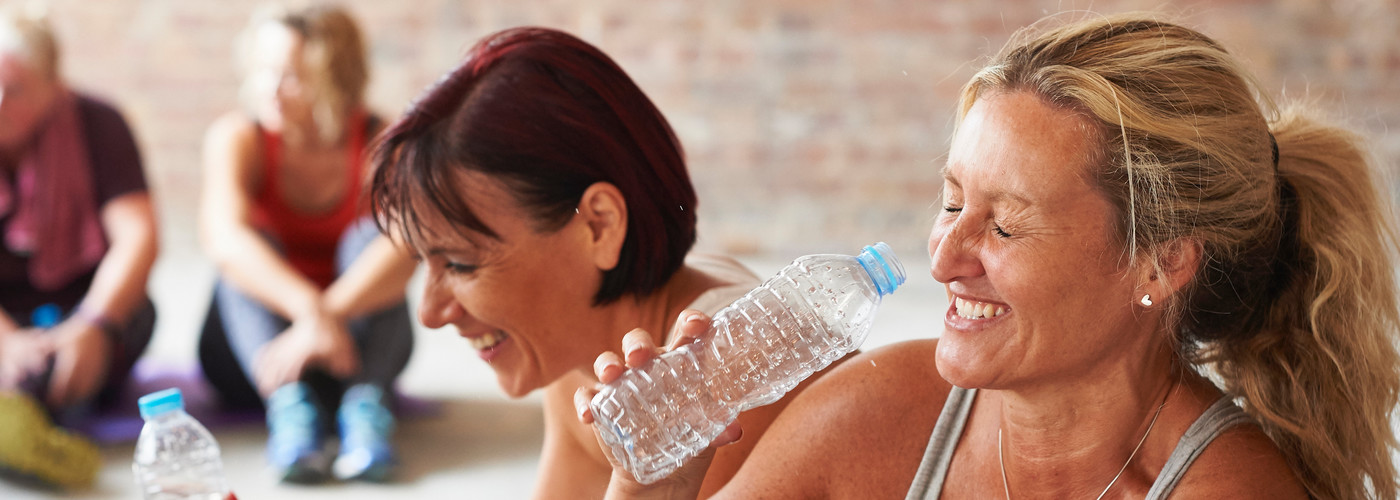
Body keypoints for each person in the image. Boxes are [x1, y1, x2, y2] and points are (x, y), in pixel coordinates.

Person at [578, 12, 1400, 500]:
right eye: (949, 201)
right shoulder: (885, 406)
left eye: (1005, 226)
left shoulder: (1225, 493)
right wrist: (656, 487)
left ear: (1161, 262)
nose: (944, 257)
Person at [368, 27, 846, 499]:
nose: (429, 313)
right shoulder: (580, 348)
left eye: (460, 264)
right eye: (422, 263)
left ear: (599, 225)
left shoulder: (739, 367)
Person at [197, 4, 416, 484]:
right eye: (264, 72)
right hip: (261, 358)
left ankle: (365, 414)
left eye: (291, 77)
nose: (269, 90)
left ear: (335, 78)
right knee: (247, 252)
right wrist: (310, 312)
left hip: (353, 354)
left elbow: (407, 250)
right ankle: (291, 414)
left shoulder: (381, 138)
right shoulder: (239, 137)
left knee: (371, 238)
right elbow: (223, 238)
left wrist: (328, 316)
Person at [0, 6, 158, 489]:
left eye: (15, 91)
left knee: (137, 316)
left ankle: (28, 402)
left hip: (77, 309)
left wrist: (93, 323)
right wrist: (4, 340)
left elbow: (138, 237)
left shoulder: (99, 124)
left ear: (54, 84)